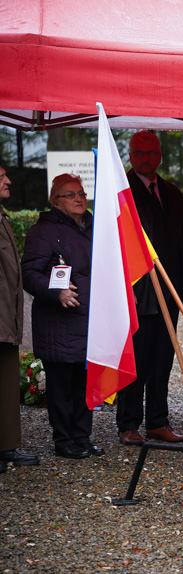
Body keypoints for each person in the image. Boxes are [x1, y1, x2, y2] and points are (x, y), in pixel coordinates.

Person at [116, 131, 183, 446]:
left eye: (152, 153)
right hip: (139, 291)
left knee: (163, 358)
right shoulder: (123, 192)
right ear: (131, 156)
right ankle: (128, 424)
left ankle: (157, 422)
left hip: (170, 289)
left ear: (160, 155)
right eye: (140, 153)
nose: (147, 158)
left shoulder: (172, 193)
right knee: (137, 359)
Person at [21, 174, 101, 459]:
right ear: (55, 202)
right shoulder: (43, 231)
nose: (79, 198)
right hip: (60, 321)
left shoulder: (94, 226)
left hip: (90, 319)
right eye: (70, 195)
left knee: (85, 382)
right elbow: (29, 274)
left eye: (81, 193)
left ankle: (83, 436)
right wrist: (57, 292)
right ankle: (63, 440)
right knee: (62, 386)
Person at [0, 166, 39, 471]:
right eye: (0, 177)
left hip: (6, 319)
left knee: (7, 383)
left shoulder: (2, 217)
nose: (8, 180)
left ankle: (6, 447)